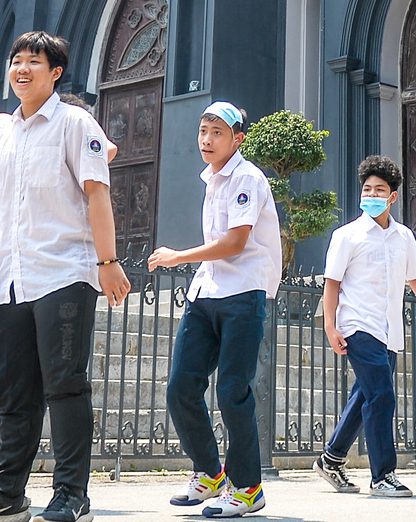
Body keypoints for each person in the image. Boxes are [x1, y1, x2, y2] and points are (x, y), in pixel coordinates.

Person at [0, 32, 131, 522]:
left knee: (65, 385)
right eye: (16, 61)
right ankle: (6, 492)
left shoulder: (76, 123)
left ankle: (72, 494)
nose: (22, 69)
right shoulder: (2, 134)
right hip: (11, 275)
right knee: (14, 388)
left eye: (34, 61)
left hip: (64, 273)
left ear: (55, 72)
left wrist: (107, 261)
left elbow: (98, 193)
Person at [149, 101, 284, 518]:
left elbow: (235, 243)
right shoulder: (211, 179)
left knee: (231, 391)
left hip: (243, 293)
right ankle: (209, 472)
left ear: (237, 139)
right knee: (181, 386)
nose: (206, 140)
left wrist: (178, 256)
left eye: (217, 133)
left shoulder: (247, 178)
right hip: (206, 292)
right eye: (203, 131)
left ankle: (247, 487)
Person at [313, 156, 416, 498]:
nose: (372, 194)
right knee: (382, 395)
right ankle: (382, 475)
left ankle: (331, 458)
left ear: (393, 197)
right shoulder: (347, 236)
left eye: (379, 190)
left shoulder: (403, 237)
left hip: (389, 331)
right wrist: (331, 326)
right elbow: (332, 284)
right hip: (357, 325)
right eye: (367, 189)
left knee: (365, 395)